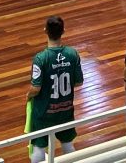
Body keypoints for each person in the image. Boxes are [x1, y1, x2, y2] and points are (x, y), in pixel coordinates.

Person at [25, 16, 83, 163]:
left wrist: (28, 95)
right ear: (63, 31)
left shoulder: (40, 58)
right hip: (66, 110)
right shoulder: (72, 54)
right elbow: (78, 82)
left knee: (38, 146)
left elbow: (36, 88)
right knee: (67, 144)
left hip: (44, 112)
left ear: (45, 31)